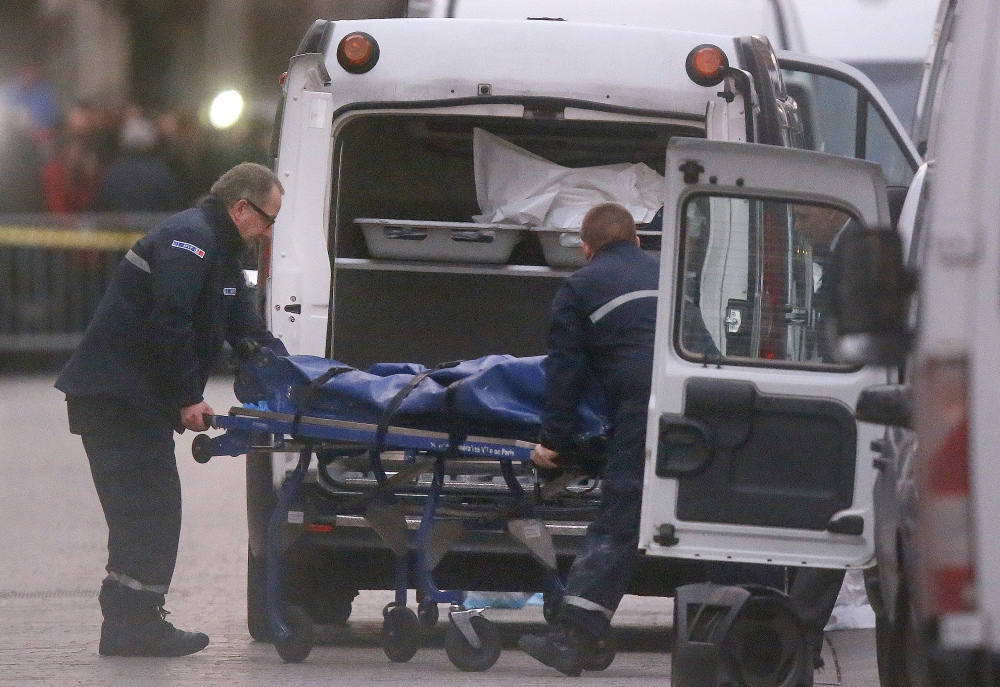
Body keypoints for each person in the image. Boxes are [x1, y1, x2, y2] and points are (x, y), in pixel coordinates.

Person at [55, 162, 288, 657]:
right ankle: (134, 624)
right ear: (241, 207)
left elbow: (245, 327)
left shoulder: (222, 252)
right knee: (150, 510)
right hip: (115, 398)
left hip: (132, 401)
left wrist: (295, 376)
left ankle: (129, 622)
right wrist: (188, 396)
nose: (269, 232)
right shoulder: (190, 239)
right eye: (268, 219)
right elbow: (171, 318)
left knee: (146, 510)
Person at [518, 202, 658, 676]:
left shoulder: (580, 287)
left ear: (586, 249)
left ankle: (574, 636)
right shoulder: (669, 273)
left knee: (619, 514)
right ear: (636, 239)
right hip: (694, 402)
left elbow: (565, 371)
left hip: (639, 408)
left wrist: (552, 441)